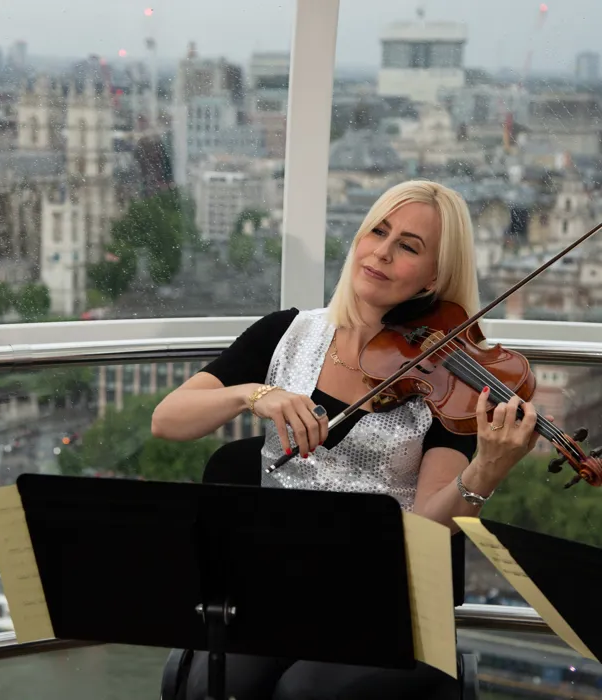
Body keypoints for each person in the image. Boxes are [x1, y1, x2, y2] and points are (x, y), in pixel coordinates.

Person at [151, 179, 550, 700]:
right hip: (280, 587)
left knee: (303, 695)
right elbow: (168, 419)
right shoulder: (286, 334)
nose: (381, 252)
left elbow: (428, 527)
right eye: (377, 232)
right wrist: (253, 394)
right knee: (214, 688)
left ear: (434, 277)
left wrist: (486, 473)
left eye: (408, 246)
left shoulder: (452, 380)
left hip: (388, 600)